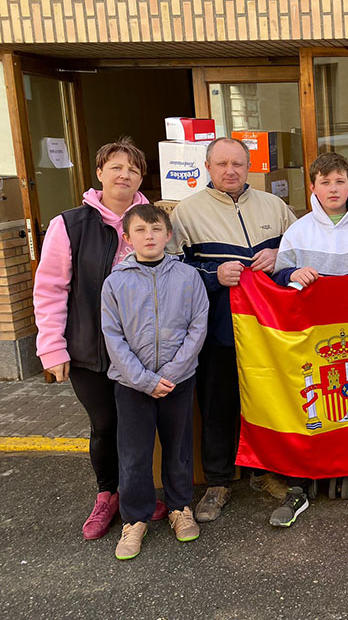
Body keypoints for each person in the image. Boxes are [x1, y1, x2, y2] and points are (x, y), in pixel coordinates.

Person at [32, 137, 169, 539]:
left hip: (143, 349)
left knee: (138, 425)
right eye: (116, 167)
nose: (124, 175)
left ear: (142, 178)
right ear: (99, 174)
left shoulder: (153, 221)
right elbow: (51, 289)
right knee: (105, 425)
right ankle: (107, 494)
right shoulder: (69, 224)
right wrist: (52, 348)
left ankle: (136, 495)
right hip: (91, 348)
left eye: (133, 169)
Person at [266, 152, 348, 527]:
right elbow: (276, 279)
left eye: (340, 181)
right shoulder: (299, 231)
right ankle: (298, 484)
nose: (333, 189)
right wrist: (293, 271)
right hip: (310, 339)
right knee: (308, 404)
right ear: (313, 188)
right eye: (325, 182)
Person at [168, 136, 295, 522]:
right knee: (218, 406)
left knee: (268, 402)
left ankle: (264, 472)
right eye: (222, 163)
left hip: (268, 331)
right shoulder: (186, 213)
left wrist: (281, 254)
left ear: (248, 167)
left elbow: (304, 251)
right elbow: (171, 271)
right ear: (208, 167)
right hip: (217, 330)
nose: (230, 171)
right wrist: (212, 274)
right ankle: (218, 482)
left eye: (237, 164)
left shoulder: (275, 206)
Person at [101, 205, 209, 560]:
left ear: (168, 235)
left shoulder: (188, 277)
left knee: (178, 448)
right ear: (127, 238)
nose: (149, 236)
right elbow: (113, 337)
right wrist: (145, 380)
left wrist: (173, 373)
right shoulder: (116, 282)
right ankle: (135, 518)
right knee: (134, 454)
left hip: (178, 379)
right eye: (141, 230)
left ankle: (179, 507)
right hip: (132, 385)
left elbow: (197, 327)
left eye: (156, 229)